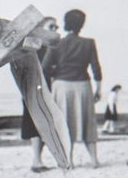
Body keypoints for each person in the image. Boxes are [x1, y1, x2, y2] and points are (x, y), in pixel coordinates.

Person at [41, 9, 103, 167]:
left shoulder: (57, 43)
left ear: (65, 23)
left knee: (65, 123)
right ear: (81, 25)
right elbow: (96, 69)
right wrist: (99, 89)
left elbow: (45, 68)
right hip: (83, 85)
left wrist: (58, 71)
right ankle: (94, 160)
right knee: (88, 122)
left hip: (62, 86)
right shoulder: (89, 42)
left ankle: (68, 160)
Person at [20, 16, 59, 172]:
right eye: (52, 27)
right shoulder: (33, 46)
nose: (55, 30)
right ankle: (36, 161)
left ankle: (38, 160)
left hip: (44, 87)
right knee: (35, 123)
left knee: (43, 123)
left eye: (56, 27)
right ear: (41, 28)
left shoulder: (49, 47)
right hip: (34, 87)